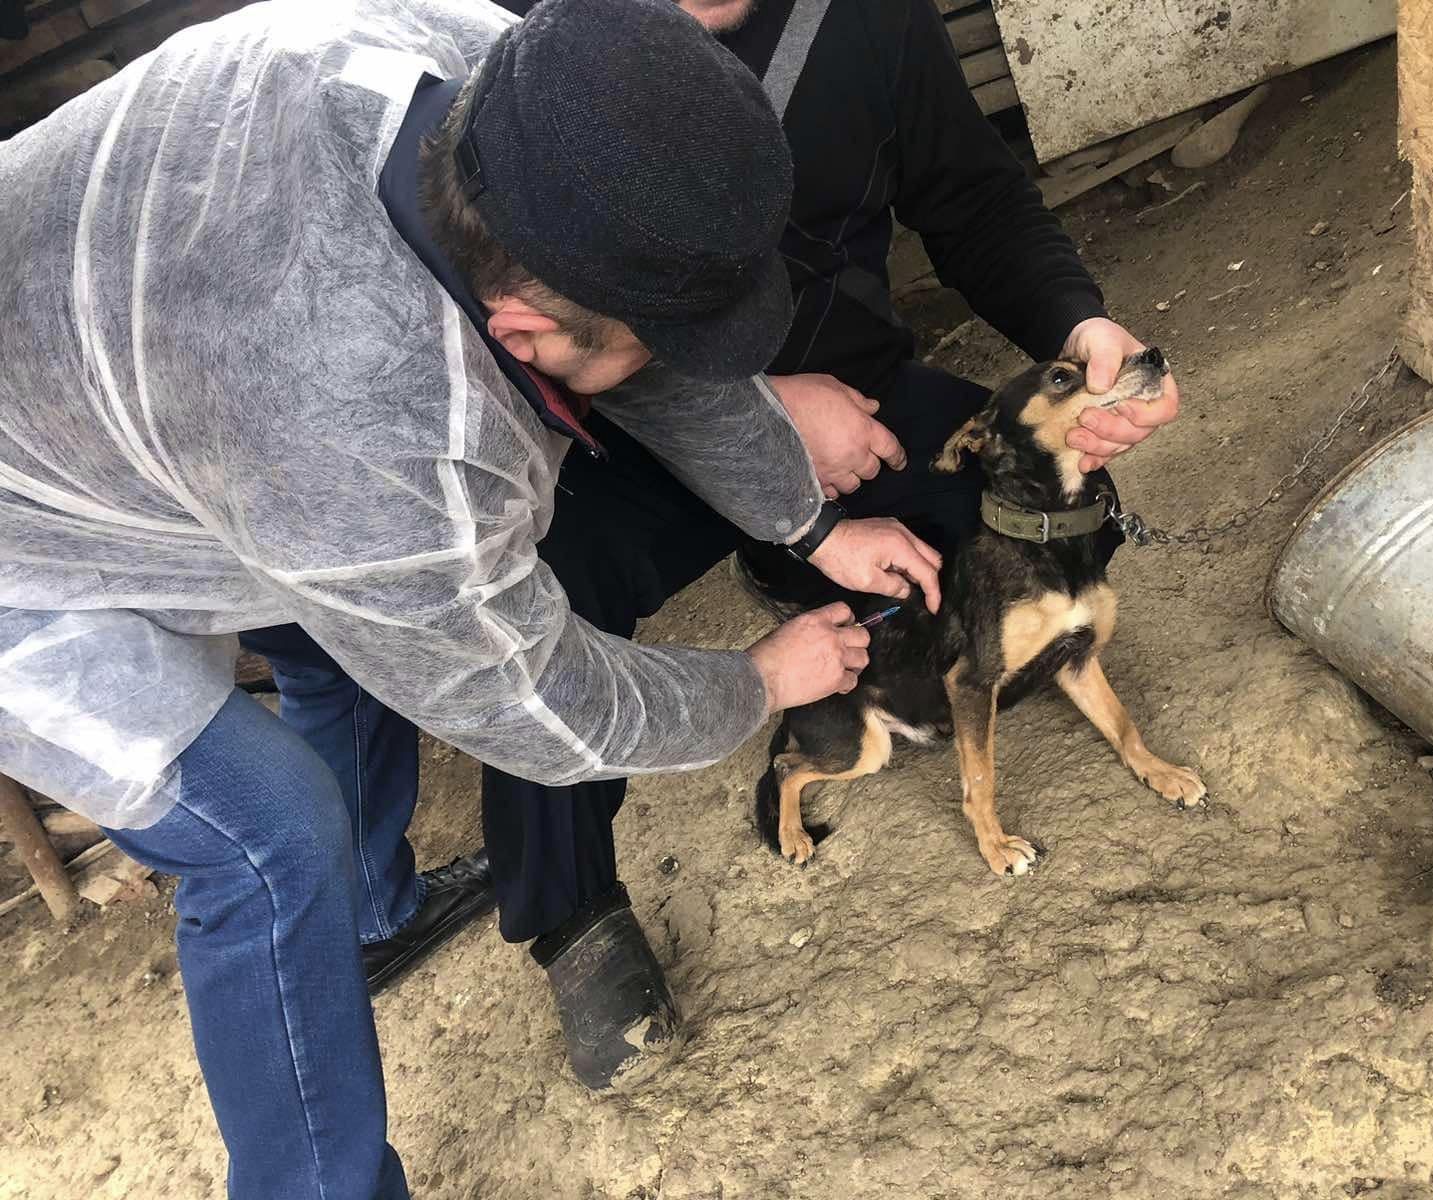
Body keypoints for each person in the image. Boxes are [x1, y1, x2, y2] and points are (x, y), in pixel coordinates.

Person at [0, 0, 950, 1192]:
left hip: (143, 366)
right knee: (266, 837)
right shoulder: (382, 443)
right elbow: (537, 705)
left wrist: (806, 518)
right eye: (632, 343)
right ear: (518, 327)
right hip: (23, 536)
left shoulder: (501, 73)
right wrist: (754, 683)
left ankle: (378, 912)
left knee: (340, 627)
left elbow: (644, 341)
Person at [368, 0, 1184, 1089]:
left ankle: (904, 652)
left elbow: (977, 201)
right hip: (622, 437)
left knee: (1052, 506)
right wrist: (759, 412)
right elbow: (521, 334)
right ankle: (569, 915)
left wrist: (1076, 328)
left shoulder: (872, 22)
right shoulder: (541, 48)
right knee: (542, 590)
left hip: (858, 405)